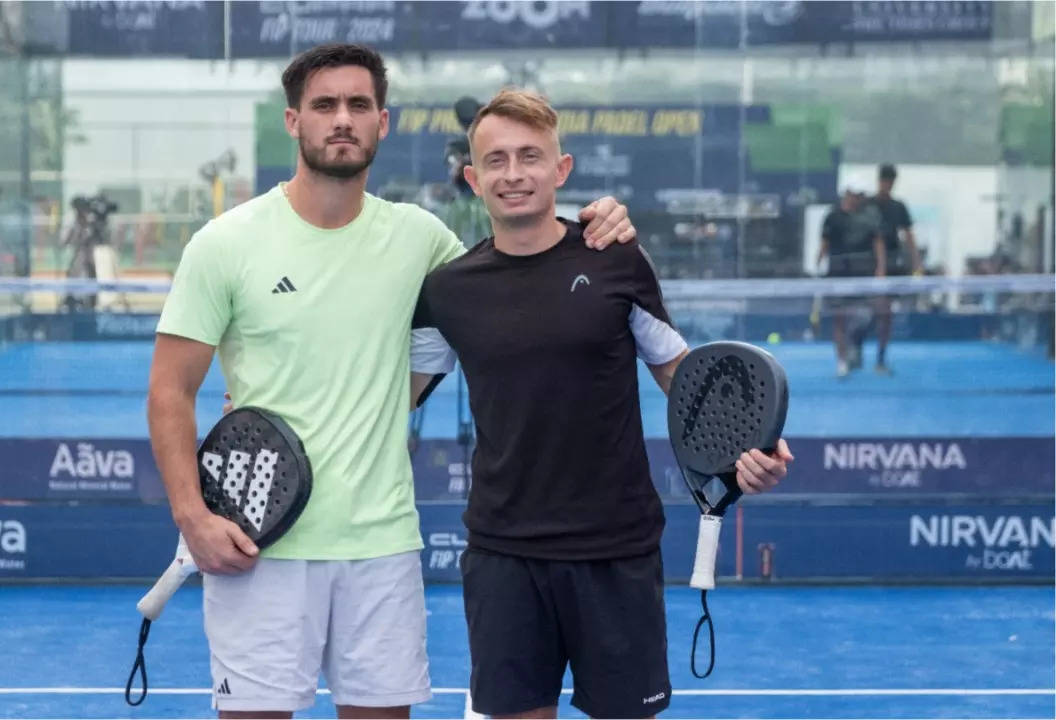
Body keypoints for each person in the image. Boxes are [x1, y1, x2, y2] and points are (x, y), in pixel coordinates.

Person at [147, 44, 636, 720]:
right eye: (324, 105)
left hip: (382, 548)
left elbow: (522, 251)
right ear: (294, 121)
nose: (341, 119)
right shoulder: (224, 244)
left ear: (384, 122)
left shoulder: (422, 240)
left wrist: (596, 215)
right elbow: (169, 390)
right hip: (261, 548)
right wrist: (191, 516)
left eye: (358, 105)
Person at [411, 89, 794, 719]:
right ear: (472, 178)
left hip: (615, 550)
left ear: (561, 170)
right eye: (497, 160)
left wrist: (751, 450)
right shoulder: (447, 290)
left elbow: (684, 378)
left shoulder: (617, 260)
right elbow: (392, 394)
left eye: (531, 156)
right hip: (505, 555)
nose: (514, 174)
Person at [818, 189, 886, 378]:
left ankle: (856, 345)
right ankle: (842, 362)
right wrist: (817, 265)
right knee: (839, 318)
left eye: (860, 195)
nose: (857, 198)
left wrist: (880, 269)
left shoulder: (869, 216)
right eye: (853, 194)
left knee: (868, 315)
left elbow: (878, 243)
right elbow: (824, 244)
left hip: (863, 276)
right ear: (846, 194)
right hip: (837, 275)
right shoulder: (832, 217)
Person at [869, 163, 921, 375]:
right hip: (867, 265)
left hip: (891, 267)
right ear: (879, 181)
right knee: (864, 313)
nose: (887, 185)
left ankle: (880, 358)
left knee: (886, 313)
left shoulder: (899, 207)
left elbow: (908, 236)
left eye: (890, 181)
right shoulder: (868, 205)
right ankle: (855, 345)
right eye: (884, 180)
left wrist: (917, 262)